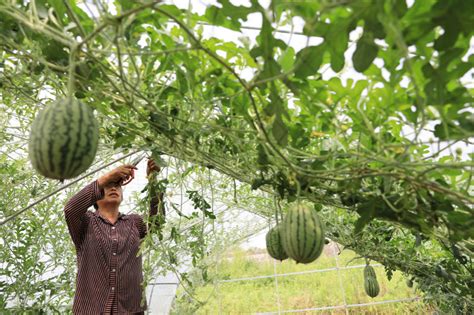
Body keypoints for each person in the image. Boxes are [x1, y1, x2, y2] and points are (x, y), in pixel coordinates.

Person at [64, 159, 165, 315]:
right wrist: (107, 177)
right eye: (107, 186)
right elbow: (70, 209)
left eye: (117, 185)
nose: (113, 188)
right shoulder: (86, 223)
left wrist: (153, 181)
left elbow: (156, 222)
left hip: (130, 310)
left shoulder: (134, 222)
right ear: (95, 196)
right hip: (92, 310)